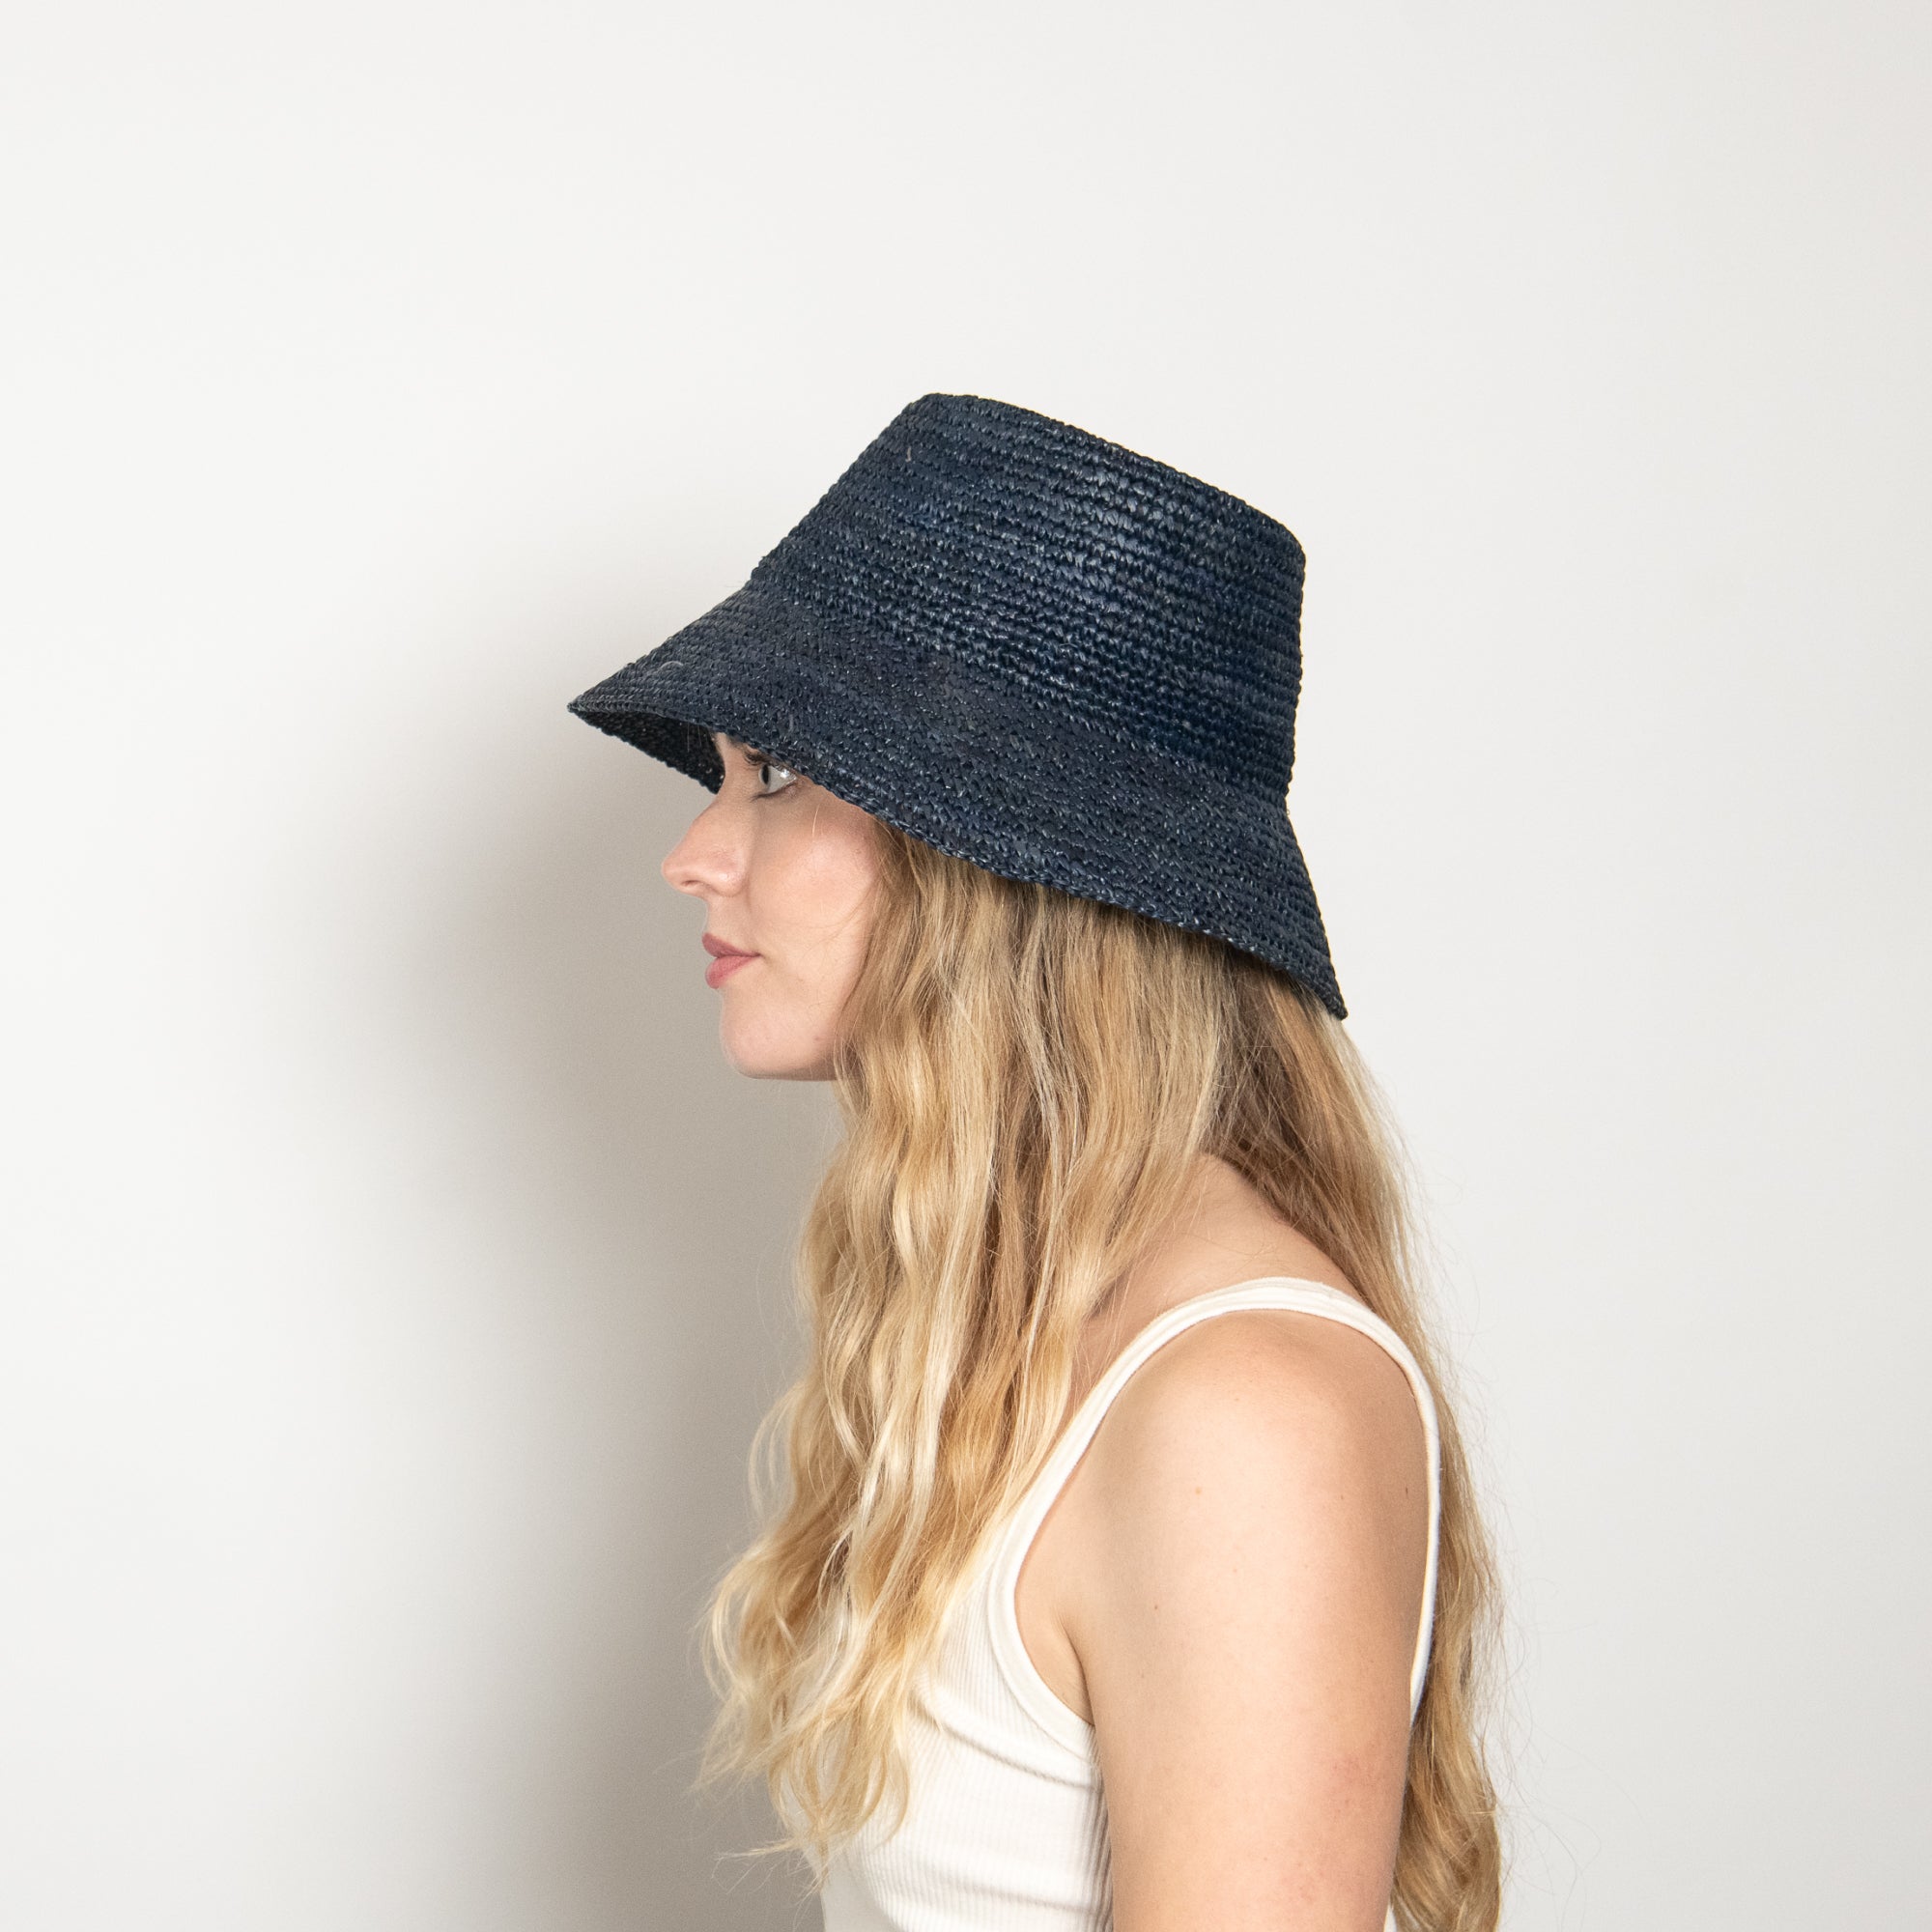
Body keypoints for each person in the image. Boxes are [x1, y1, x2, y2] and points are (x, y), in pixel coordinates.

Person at [568, 394, 1500, 1931]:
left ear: (994, 854)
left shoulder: (1243, 1408)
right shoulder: (1013, 1320)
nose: (695, 852)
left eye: (775, 774)